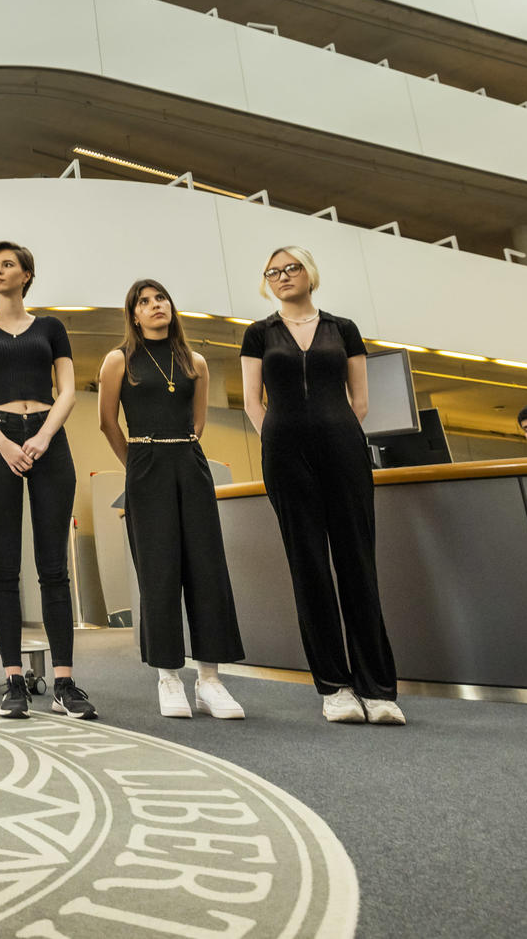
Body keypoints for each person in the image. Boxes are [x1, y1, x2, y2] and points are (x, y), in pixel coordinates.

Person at [240, 246, 405, 727]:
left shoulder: (343, 328)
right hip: (285, 453)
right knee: (308, 565)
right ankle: (334, 687)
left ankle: (378, 689)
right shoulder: (258, 333)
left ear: (309, 273)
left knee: (357, 562)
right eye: (273, 271)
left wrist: (335, 436)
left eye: (290, 268)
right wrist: (280, 440)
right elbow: (253, 402)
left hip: (344, 449)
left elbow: (361, 401)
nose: (282, 276)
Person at [0, 241, 95, 720]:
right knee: (4, 568)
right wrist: (6, 444)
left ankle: (64, 681)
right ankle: (13, 679)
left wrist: (41, 437)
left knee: (54, 566)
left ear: (27, 274)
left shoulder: (52, 328)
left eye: (7, 265)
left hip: (48, 441)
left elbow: (69, 390)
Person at [98, 279, 245, 720]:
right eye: (143, 302)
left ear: (170, 306)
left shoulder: (194, 361)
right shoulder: (118, 360)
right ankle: (167, 676)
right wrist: (138, 464)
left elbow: (198, 423)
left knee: (206, 569)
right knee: (159, 572)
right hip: (145, 464)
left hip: (189, 463)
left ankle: (211, 680)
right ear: (134, 315)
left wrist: (178, 453)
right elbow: (107, 422)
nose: (154, 305)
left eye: (159, 298)